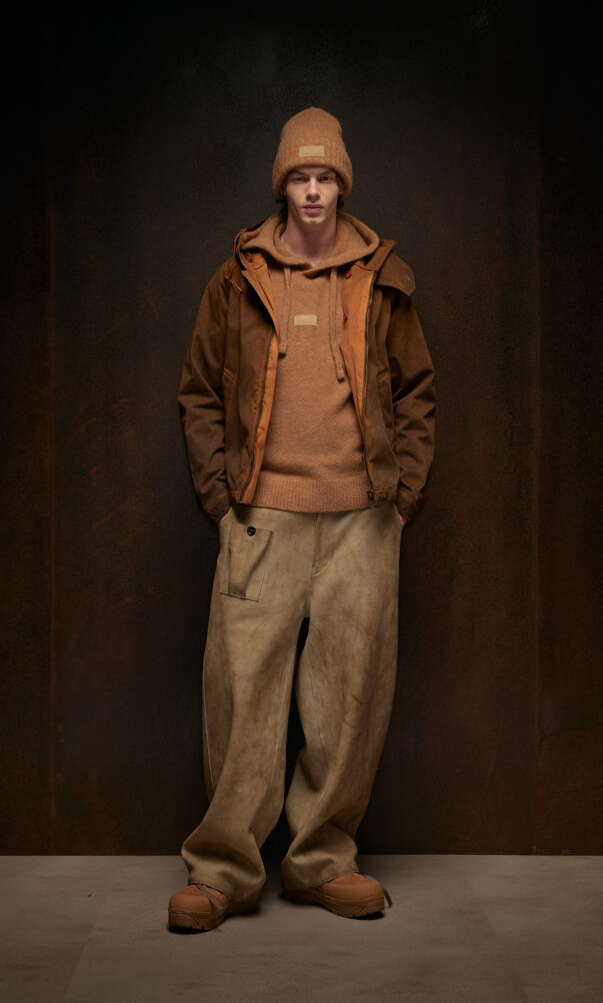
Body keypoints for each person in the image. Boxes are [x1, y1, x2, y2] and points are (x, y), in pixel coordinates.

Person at [170, 107, 435, 931]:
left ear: (341, 186)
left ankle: (321, 863)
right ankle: (222, 873)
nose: (313, 190)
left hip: (363, 521)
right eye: (299, 177)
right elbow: (199, 392)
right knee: (241, 697)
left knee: (350, 701)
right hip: (260, 519)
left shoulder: (383, 277)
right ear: (282, 186)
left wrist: (403, 499)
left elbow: (417, 391)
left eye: (325, 177)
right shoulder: (236, 279)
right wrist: (221, 501)